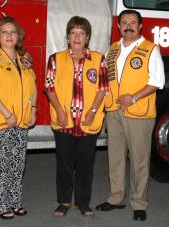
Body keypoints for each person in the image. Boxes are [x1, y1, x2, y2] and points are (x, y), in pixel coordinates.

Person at [95, 9, 165, 221]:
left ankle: (139, 203)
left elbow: (157, 81)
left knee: (139, 160)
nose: (128, 26)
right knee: (115, 158)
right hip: (114, 112)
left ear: (140, 26)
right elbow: (104, 80)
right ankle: (116, 198)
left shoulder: (150, 49)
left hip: (139, 113)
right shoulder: (112, 50)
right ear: (118, 26)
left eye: (133, 22)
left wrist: (133, 97)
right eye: (124, 22)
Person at [45, 16, 108, 217]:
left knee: (85, 164)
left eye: (81, 33)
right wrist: (60, 111)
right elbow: (49, 87)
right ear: (68, 37)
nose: (77, 37)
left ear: (87, 37)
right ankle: (64, 201)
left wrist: (92, 112)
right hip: (64, 122)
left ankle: (82, 202)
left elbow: (102, 88)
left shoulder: (98, 59)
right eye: (73, 33)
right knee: (64, 163)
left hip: (88, 121)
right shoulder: (55, 59)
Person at [0, 17, 37, 220]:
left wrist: (33, 108)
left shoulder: (25, 58)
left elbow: (32, 85)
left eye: (12, 32)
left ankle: (15, 202)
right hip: (1, 122)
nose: (8, 36)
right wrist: (7, 113)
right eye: (4, 32)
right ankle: (0, 204)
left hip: (22, 121)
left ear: (18, 36)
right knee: (0, 165)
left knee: (17, 164)